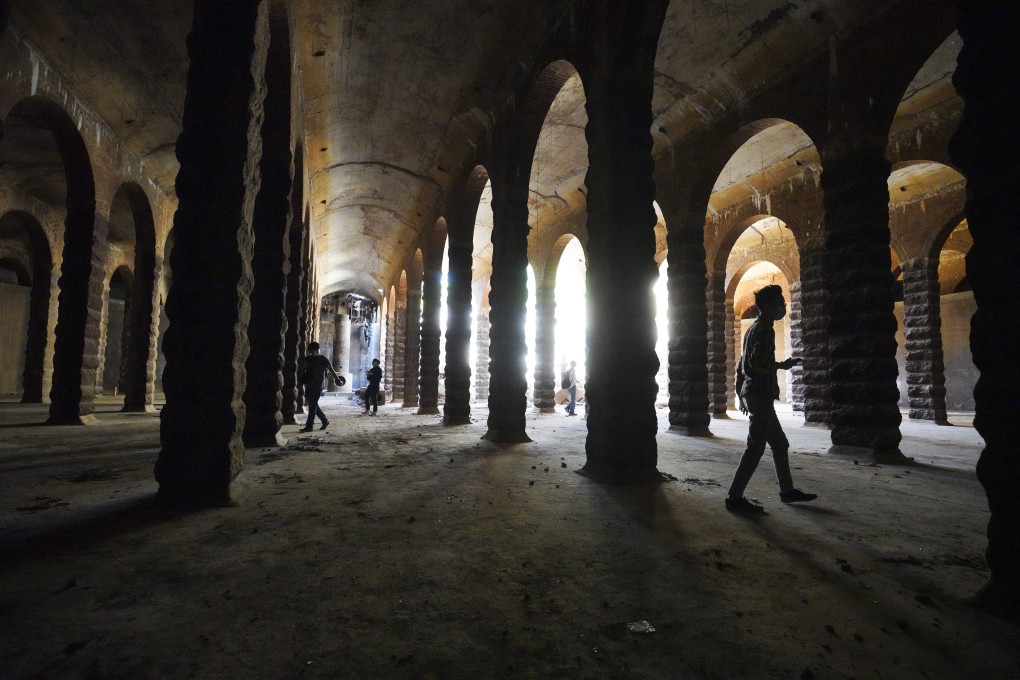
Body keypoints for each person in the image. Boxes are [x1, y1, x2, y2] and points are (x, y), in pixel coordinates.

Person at [726, 285, 817, 514]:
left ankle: (787, 491)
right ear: (767, 306)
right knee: (755, 448)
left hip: (754, 393)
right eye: (779, 301)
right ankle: (734, 497)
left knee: (779, 444)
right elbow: (756, 365)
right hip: (760, 393)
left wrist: (740, 393)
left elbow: (742, 365)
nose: (782, 306)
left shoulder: (753, 329)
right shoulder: (765, 329)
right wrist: (779, 365)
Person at [298, 341, 344, 432]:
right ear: (314, 350)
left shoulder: (322, 359)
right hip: (309, 384)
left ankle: (309, 426)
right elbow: (302, 370)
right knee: (313, 405)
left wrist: (337, 379)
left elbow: (331, 369)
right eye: (317, 349)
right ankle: (324, 420)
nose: (318, 351)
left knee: (312, 406)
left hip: (318, 386)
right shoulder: (308, 359)